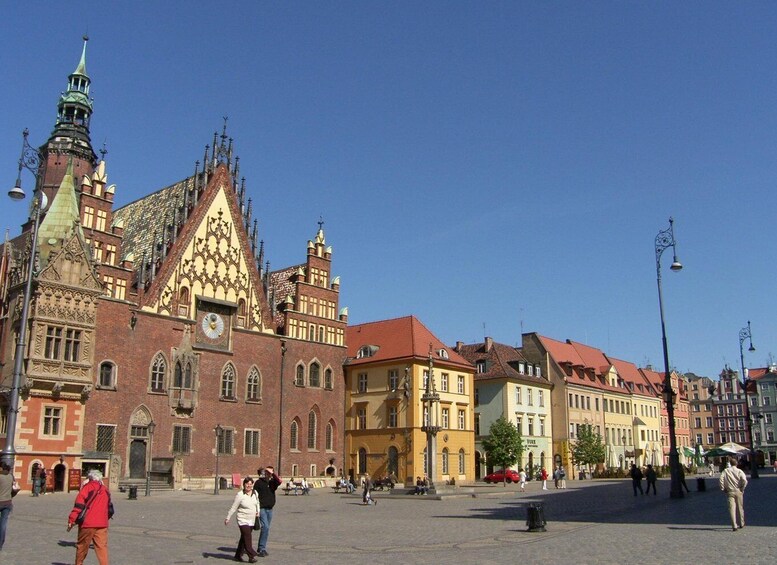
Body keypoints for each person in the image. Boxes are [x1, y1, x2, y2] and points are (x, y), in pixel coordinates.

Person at [67, 469, 112, 565]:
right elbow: (109, 507)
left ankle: (79, 564)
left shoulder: (87, 488)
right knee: (102, 548)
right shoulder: (105, 490)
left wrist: (71, 519)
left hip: (87, 523)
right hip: (102, 523)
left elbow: (79, 505)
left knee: (82, 547)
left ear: (90, 478)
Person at [225, 476, 260, 562]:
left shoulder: (255, 493)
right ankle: (251, 555)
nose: (249, 486)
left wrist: (258, 511)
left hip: (252, 519)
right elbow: (234, 507)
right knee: (247, 536)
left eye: (250, 484)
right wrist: (228, 517)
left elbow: (257, 503)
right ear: (244, 484)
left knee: (244, 538)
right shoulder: (240, 495)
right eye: (247, 484)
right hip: (242, 519)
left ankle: (238, 555)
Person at [254, 466, 281, 558]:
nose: (266, 474)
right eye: (266, 472)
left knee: (267, 528)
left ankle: (261, 547)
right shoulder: (258, 483)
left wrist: (272, 473)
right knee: (265, 527)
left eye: (268, 473)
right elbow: (254, 496)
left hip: (270, 509)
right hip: (261, 508)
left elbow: (279, 481)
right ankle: (261, 548)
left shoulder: (272, 483)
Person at [719, 456, 747, 531]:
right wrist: (742, 488)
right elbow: (744, 480)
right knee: (740, 508)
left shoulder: (725, 471)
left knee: (732, 508)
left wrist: (723, 488)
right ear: (736, 463)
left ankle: (734, 525)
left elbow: (721, 479)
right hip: (738, 490)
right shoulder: (739, 471)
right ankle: (741, 523)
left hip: (729, 491)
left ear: (730, 464)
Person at [1, 463, 20, 551]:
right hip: (7, 502)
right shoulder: (11, 477)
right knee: (3, 525)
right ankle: (0, 543)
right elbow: (14, 489)